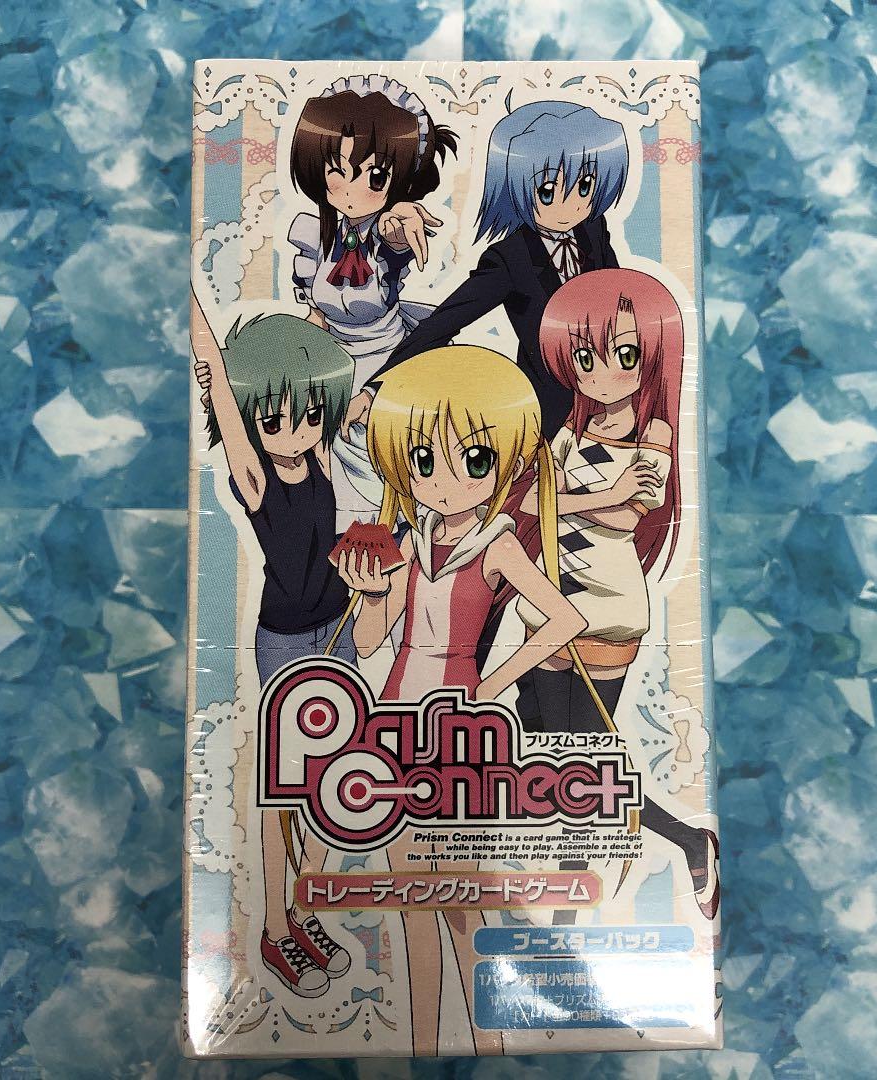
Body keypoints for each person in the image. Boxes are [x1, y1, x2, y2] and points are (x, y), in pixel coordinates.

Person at [333, 345, 588, 1054]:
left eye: (472, 460)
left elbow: (564, 619)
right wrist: (373, 594)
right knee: (410, 898)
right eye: (423, 461)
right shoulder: (411, 542)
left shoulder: (497, 545)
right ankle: (421, 1044)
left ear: (504, 463)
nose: (443, 482)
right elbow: (372, 640)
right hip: (395, 718)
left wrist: (494, 683)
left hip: (458, 725)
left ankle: (490, 1042)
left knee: (464, 900)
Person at [515, 269, 719, 920]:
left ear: (650, 355)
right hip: (549, 601)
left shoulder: (652, 435)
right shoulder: (572, 428)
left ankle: (586, 896)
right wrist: (599, 494)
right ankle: (655, 853)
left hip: (605, 606)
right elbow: (530, 499)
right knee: (557, 758)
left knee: (585, 765)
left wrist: (575, 499)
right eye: (585, 358)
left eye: (623, 355)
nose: (602, 374)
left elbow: (627, 518)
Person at [190, 290, 357, 997]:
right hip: (286, 641)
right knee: (286, 790)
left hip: (340, 631)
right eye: (275, 418)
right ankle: (274, 927)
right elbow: (229, 395)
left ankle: (305, 908)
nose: (296, 429)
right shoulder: (255, 477)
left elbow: (318, 360)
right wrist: (199, 324)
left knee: (333, 786)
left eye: (310, 412)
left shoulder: (322, 459)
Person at [365, 100, 628, 440]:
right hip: (550, 408)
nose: (569, 206)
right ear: (513, 187)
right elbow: (445, 322)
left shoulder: (593, 229)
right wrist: (376, 389)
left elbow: (620, 300)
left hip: (614, 394)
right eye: (547, 191)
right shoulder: (510, 258)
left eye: (585, 186)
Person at [288, 74, 457, 525]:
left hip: (387, 360)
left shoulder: (386, 235)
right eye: (336, 171)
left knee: (389, 459)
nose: (350, 190)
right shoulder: (315, 236)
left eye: (375, 177)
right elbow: (316, 315)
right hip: (332, 364)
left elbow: (394, 234)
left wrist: (399, 222)